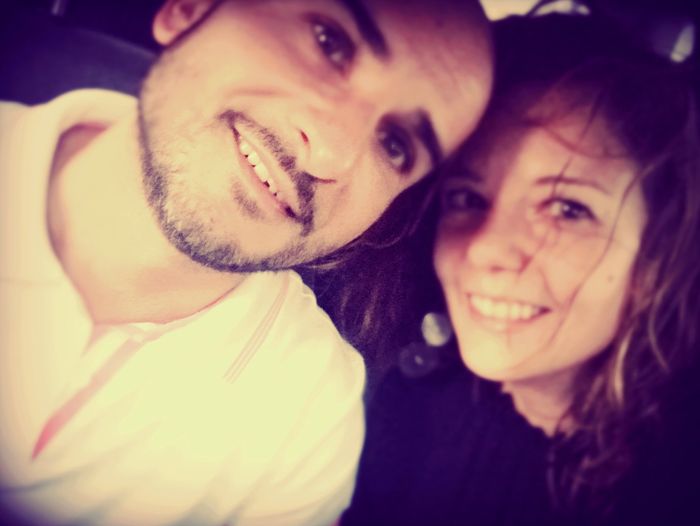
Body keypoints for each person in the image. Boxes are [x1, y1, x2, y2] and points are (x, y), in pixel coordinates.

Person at [0, 1, 494, 524]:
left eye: (395, 147)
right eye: (328, 43)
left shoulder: (308, 417)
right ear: (189, 10)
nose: (326, 154)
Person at [343, 11, 700, 526]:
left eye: (568, 209)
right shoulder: (404, 404)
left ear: (656, 259)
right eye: (466, 198)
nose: (484, 248)